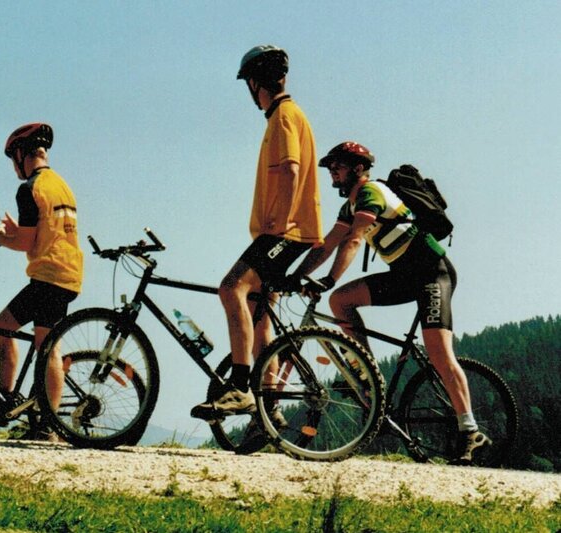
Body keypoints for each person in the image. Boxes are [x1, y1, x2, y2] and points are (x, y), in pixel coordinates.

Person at [288, 141, 490, 465]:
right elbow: (327, 245)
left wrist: (329, 279)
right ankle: (369, 377)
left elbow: (354, 239)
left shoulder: (371, 194)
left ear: (357, 168)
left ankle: (470, 430)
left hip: (432, 274)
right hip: (404, 276)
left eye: (337, 166)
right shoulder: (350, 206)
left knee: (439, 353)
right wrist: (295, 276)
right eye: (330, 167)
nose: (332, 171)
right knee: (341, 301)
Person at [191, 45, 323, 421]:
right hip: (292, 231)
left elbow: (291, 170)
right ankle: (269, 411)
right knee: (259, 316)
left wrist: (278, 225)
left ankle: (239, 387)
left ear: (254, 83)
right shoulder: (288, 115)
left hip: (286, 231)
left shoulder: (283, 116)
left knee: (230, 288)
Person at [0, 123, 83, 441]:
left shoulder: (30, 188)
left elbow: (26, 244)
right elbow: (45, 232)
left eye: (11, 159)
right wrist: (18, 230)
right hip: (67, 272)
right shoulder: (60, 185)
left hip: (48, 275)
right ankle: (11, 400)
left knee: (43, 347)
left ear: (20, 154)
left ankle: (43, 422)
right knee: (13, 329)